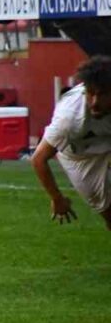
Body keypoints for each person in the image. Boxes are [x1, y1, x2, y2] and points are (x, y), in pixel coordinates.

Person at [31, 57, 111, 230]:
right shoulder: (69, 117)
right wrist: (57, 198)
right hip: (79, 157)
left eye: (103, 94)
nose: (95, 102)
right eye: (90, 93)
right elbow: (38, 159)